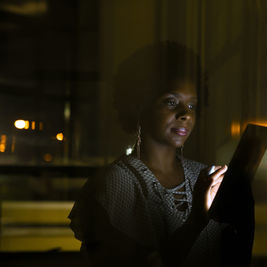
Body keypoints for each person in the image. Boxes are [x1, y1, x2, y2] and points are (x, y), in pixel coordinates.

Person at [68, 42, 236, 267]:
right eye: (171, 101)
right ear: (139, 105)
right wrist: (196, 220)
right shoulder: (114, 185)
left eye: (192, 106)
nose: (185, 114)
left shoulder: (204, 177)